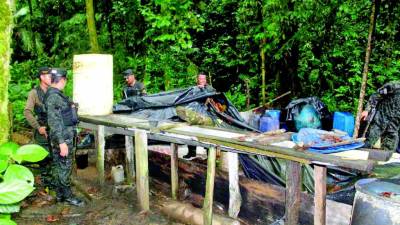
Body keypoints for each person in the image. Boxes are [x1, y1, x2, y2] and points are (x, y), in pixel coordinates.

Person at [44, 68, 84, 206]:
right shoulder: (53, 97)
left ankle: (60, 194)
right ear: (62, 80)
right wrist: (61, 143)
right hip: (62, 139)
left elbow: (62, 114)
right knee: (65, 166)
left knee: (59, 165)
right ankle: (67, 195)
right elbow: (54, 123)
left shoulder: (56, 95)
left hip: (62, 137)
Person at [24, 67, 52, 186]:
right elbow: (27, 112)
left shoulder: (54, 90)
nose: (51, 78)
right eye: (49, 76)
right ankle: (44, 179)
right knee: (43, 155)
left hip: (55, 129)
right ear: (42, 77)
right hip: (42, 130)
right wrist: (38, 127)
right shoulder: (34, 93)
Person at [361, 80, 400, 151]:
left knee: (389, 150)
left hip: (394, 125)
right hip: (380, 120)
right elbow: (376, 95)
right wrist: (367, 110)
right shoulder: (394, 86)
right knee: (368, 143)